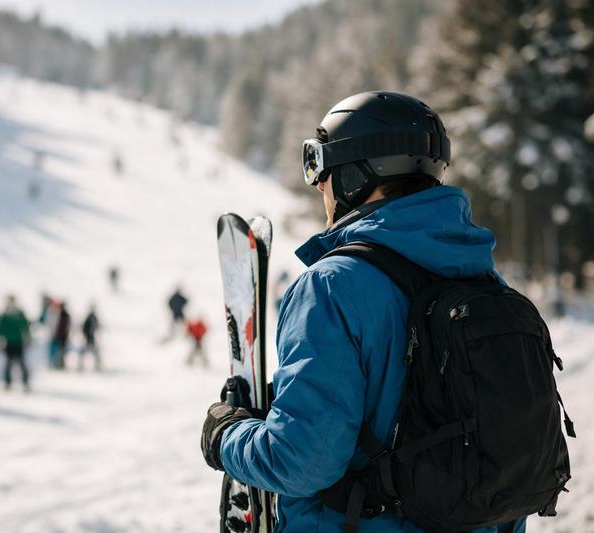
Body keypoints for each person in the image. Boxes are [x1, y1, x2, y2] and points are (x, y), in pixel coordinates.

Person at [200, 92, 528, 532]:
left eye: (319, 168)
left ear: (357, 172)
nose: (318, 186)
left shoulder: (332, 287)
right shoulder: (487, 281)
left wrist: (226, 438)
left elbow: (303, 462)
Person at [0, 295, 31, 391]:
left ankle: (25, 382)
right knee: (8, 364)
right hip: (8, 343)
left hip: (19, 342)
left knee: (22, 363)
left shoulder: (20, 314)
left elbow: (26, 327)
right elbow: (0, 328)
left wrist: (28, 338)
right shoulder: (4, 315)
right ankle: (7, 383)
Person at [79, 305, 101, 371]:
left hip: (90, 337)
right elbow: (84, 327)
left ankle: (97, 364)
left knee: (93, 351)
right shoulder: (90, 317)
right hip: (89, 337)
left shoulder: (92, 317)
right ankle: (81, 364)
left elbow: (96, 326)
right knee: (87, 351)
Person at [52, 300, 72, 369]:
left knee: (61, 351)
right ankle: (59, 363)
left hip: (62, 336)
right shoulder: (59, 314)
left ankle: (60, 364)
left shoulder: (63, 315)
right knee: (60, 351)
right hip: (61, 336)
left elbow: (67, 326)